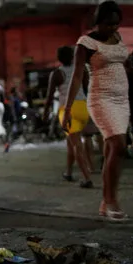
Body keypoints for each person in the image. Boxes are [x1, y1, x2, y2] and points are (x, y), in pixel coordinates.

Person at [62, 1, 133, 221]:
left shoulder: (117, 39)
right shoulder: (86, 43)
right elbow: (77, 76)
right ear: (98, 21)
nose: (113, 28)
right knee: (118, 146)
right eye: (108, 24)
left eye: (116, 24)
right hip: (101, 99)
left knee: (115, 150)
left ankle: (106, 200)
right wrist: (69, 108)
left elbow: (124, 63)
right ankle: (111, 201)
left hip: (122, 100)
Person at [43, 46, 93, 188]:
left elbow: (49, 96)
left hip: (68, 110)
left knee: (76, 144)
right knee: (71, 142)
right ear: (73, 56)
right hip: (83, 107)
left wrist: (46, 113)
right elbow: (87, 89)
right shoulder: (82, 69)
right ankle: (69, 172)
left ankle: (86, 178)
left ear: (59, 58)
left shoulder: (57, 74)